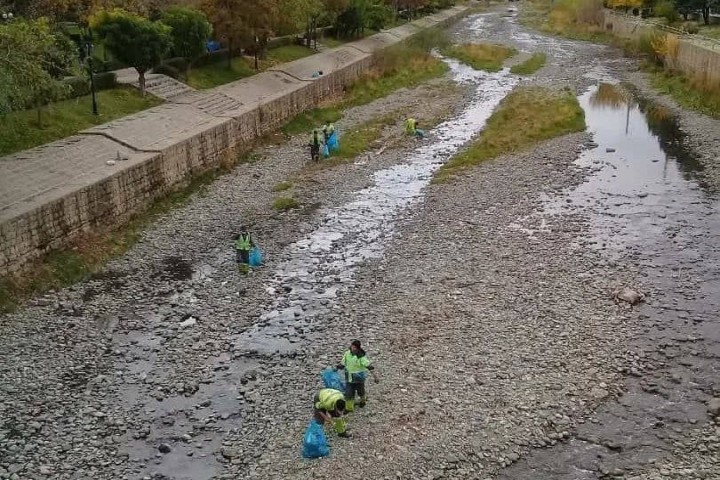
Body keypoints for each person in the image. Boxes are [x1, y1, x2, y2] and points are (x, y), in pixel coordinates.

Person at [337, 340, 377, 411]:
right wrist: (337, 368)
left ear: (358, 348)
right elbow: (343, 363)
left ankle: (362, 401)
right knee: (349, 394)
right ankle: (349, 408)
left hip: (359, 379)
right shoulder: (347, 353)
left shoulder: (361, 357)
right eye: (352, 346)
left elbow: (369, 366)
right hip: (349, 378)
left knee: (361, 392)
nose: (353, 348)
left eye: (354, 347)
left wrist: (375, 377)